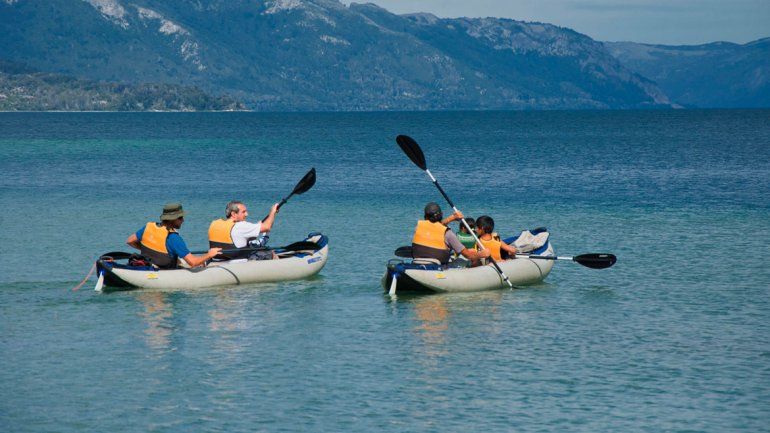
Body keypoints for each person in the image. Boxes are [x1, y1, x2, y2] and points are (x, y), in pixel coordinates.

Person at [126, 203, 221, 269]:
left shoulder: (148, 227)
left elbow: (130, 241)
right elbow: (193, 262)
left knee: (180, 261)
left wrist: (147, 251)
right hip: (162, 270)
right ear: (172, 219)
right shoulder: (173, 237)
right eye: (180, 218)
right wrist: (209, 254)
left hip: (149, 264)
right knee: (196, 263)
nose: (183, 220)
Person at [411, 202, 489, 265]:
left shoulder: (418, 227)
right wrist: (482, 254)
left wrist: (452, 218)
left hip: (418, 261)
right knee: (473, 257)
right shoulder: (448, 233)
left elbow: (435, 226)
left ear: (425, 217)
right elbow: (468, 255)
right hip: (439, 265)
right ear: (441, 215)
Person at [208, 200, 279, 259]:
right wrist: (272, 212)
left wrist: (256, 227)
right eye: (243, 212)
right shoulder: (241, 226)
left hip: (218, 259)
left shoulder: (215, 224)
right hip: (237, 261)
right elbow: (267, 227)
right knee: (270, 253)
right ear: (233, 214)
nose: (246, 214)